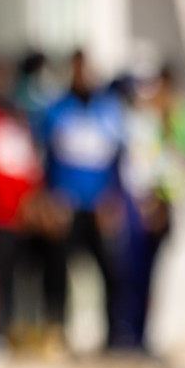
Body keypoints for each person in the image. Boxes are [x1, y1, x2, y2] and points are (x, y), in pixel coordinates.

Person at [111, 65, 185, 353]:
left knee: (149, 275)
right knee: (131, 273)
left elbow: (184, 160)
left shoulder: (177, 120)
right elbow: (136, 168)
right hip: (138, 208)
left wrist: (162, 202)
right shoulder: (138, 123)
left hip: (160, 207)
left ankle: (141, 335)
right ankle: (128, 334)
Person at [38, 50, 124, 349]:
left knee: (110, 271)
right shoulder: (55, 111)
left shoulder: (109, 111)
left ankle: (115, 334)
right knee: (58, 270)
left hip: (98, 205)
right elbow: (45, 159)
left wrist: (112, 201)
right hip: (66, 204)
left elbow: (117, 160)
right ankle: (57, 332)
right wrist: (48, 201)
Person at [0, 58, 43, 338]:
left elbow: (27, 163)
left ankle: (14, 327)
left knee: (18, 273)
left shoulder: (17, 117)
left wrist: (33, 200)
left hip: (19, 211)